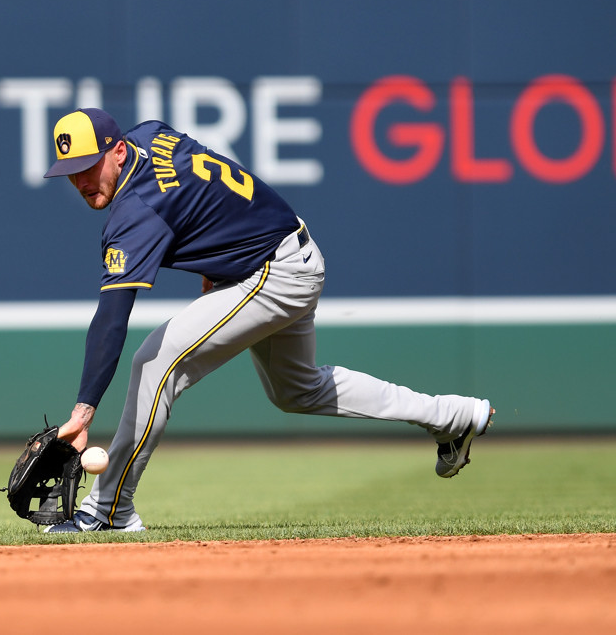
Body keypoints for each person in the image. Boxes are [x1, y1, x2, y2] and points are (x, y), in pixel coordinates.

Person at [42, 108, 494, 533]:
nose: (81, 180)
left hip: (273, 272)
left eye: (89, 165)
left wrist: (84, 410)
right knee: (298, 390)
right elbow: (201, 190)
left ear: (117, 151)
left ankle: (108, 510)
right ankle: (453, 417)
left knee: (156, 362)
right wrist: (214, 260)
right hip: (287, 252)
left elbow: (112, 318)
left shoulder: (134, 212)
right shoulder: (151, 134)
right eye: (71, 172)